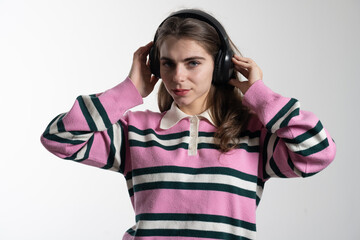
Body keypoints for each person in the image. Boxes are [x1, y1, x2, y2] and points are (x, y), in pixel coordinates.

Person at [40, 9, 336, 240]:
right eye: (168, 63)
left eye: (193, 63)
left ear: (221, 65)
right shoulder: (134, 131)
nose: (178, 77)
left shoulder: (255, 133)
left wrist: (261, 97)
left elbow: (318, 152)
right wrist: (127, 91)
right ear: (155, 66)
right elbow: (59, 138)